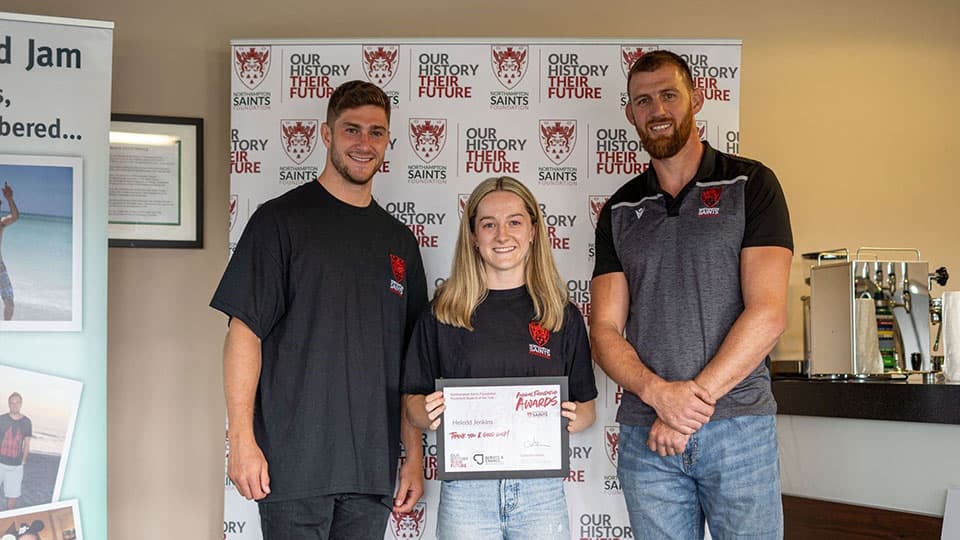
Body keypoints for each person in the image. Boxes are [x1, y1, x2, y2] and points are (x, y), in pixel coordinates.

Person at [211, 80, 428, 540]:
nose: (364, 144)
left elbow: (411, 365)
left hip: (371, 471)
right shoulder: (279, 221)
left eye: (376, 132)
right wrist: (241, 440)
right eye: (351, 130)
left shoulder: (400, 242)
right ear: (326, 135)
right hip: (293, 467)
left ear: (387, 140)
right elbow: (243, 334)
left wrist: (412, 457)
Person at [591, 50, 793, 539]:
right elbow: (603, 330)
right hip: (647, 433)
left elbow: (768, 313)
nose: (657, 109)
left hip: (738, 429)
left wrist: (686, 410)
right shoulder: (619, 209)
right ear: (630, 114)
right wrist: (661, 397)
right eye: (643, 100)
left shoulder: (752, 184)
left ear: (696, 99)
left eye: (668, 95)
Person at [403, 176, 598, 539]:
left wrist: (572, 417)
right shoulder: (443, 314)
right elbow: (412, 403)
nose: (502, 235)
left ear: (533, 231)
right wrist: (425, 412)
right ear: (473, 236)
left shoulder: (561, 315)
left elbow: (587, 408)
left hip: (541, 493)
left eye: (514, 222)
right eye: (488, 224)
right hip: (466, 493)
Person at [0, 393, 32, 510]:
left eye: (17, 402)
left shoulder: (27, 422)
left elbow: (27, 443)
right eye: (12, 402)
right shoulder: (1, 419)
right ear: (9, 404)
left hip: (16, 467)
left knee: (12, 499)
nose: (14, 405)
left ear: (21, 404)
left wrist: (23, 461)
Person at [0, 182, 19, 321]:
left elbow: (15, 217)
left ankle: (6, 330)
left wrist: (10, 199)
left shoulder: (1, 223)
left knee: (10, 304)